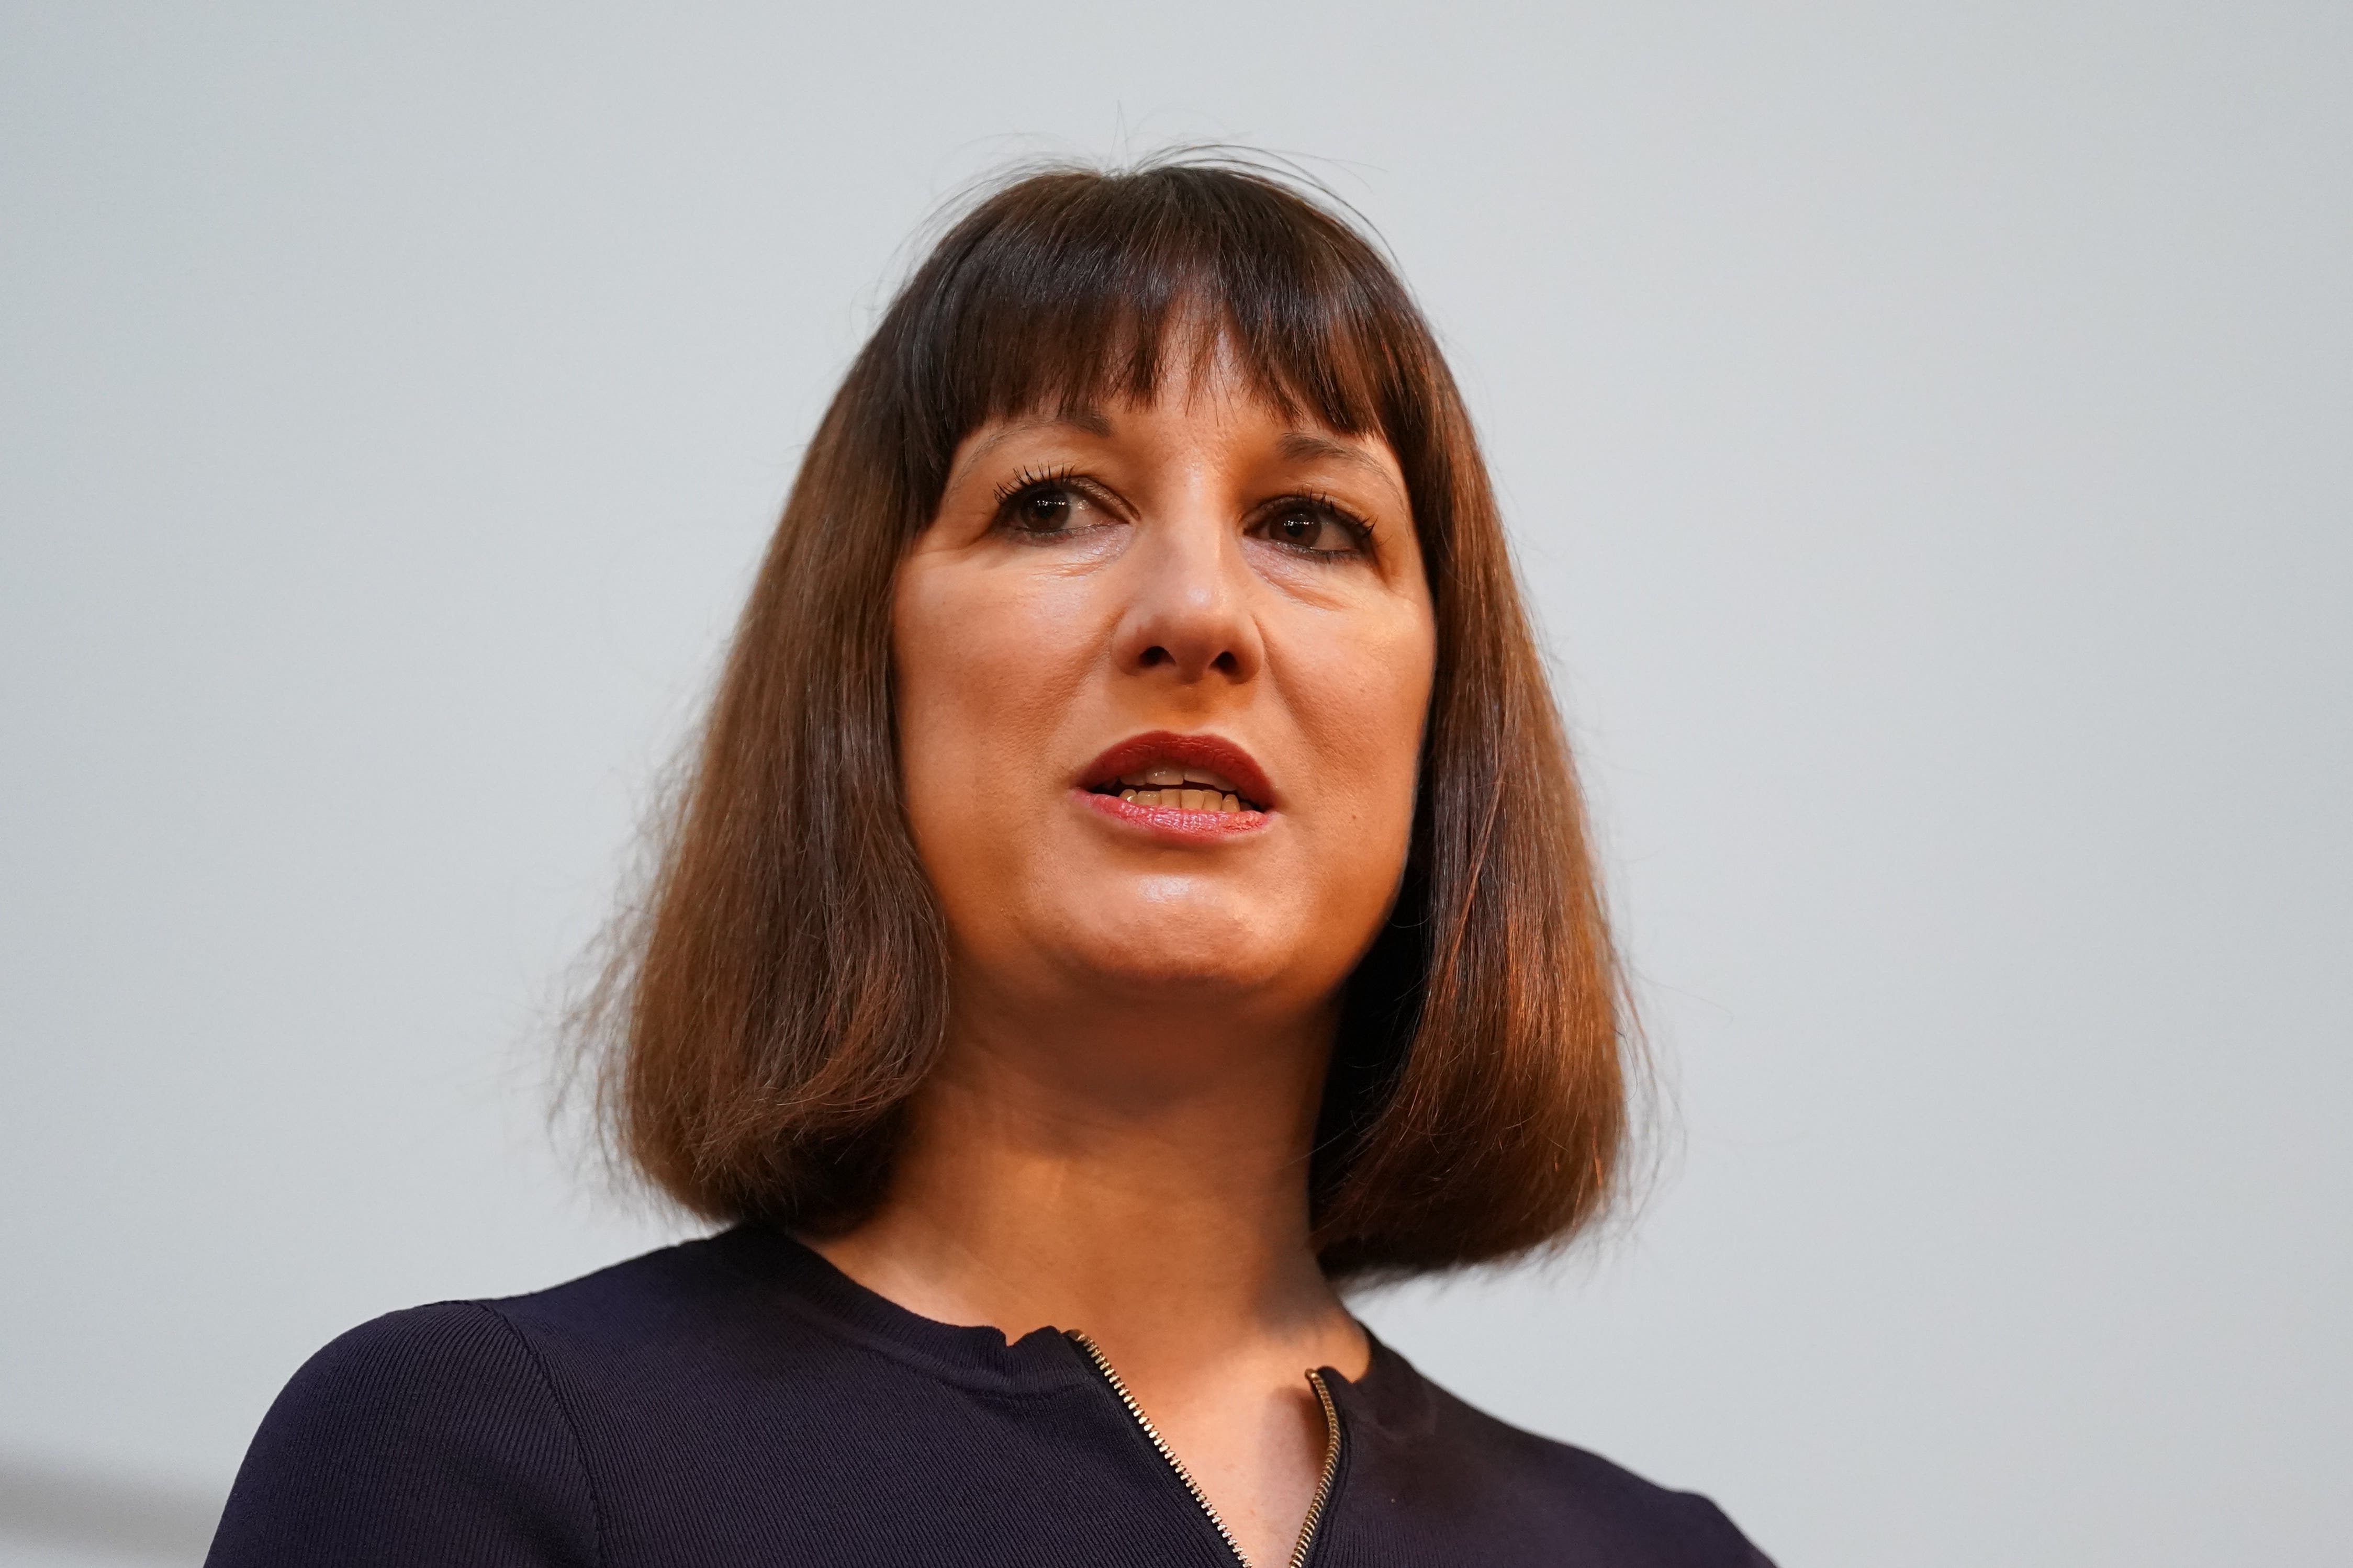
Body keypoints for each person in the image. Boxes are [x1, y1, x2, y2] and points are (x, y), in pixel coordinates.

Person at [204, 156, 1773, 1567]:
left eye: (1309, 523)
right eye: (1054, 504)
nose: (1198, 615)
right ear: (866, 672)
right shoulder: (467, 1463)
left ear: (1447, 721)